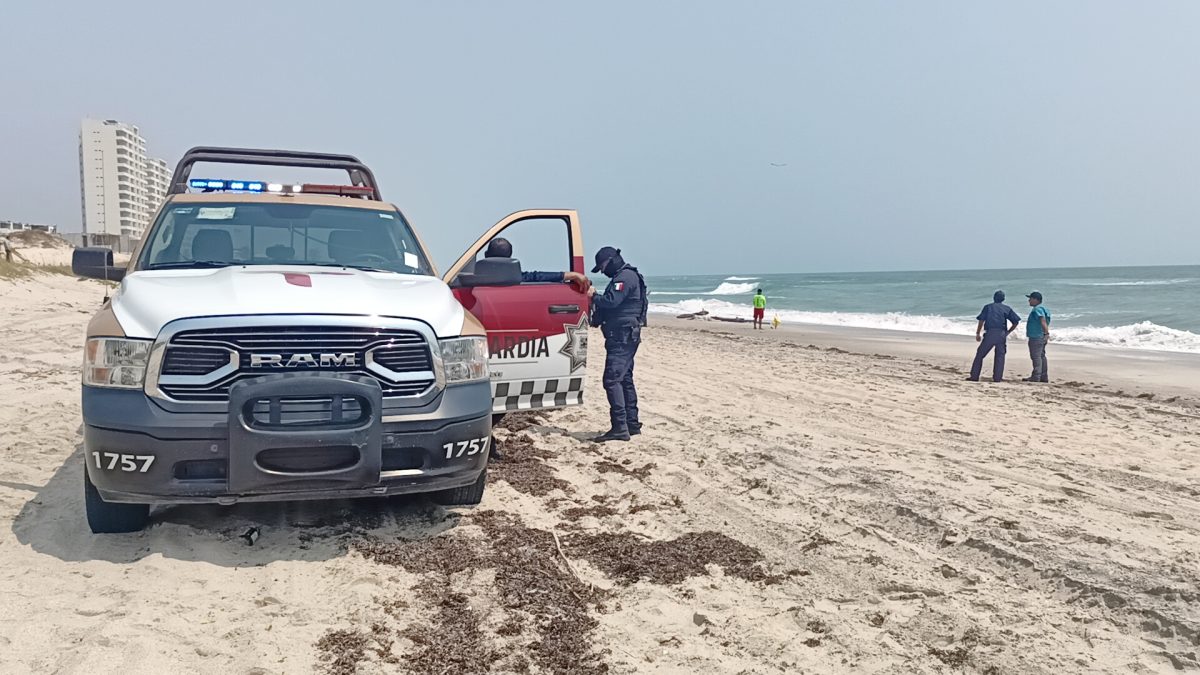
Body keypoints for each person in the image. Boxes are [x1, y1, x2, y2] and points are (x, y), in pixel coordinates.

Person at [588, 245, 647, 442]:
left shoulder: (625, 278)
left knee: (612, 380)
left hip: (622, 337)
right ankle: (631, 424)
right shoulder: (624, 276)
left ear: (611, 261)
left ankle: (620, 427)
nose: (603, 272)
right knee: (624, 379)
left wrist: (593, 296)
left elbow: (611, 301)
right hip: (623, 335)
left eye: (603, 267)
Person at [484, 237, 588, 286]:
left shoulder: (475, 279)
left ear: (486, 255)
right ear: (510, 259)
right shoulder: (515, 279)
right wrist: (573, 275)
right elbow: (537, 276)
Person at [968, 290, 1021, 382]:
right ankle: (997, 378)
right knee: (1000, 356)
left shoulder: (988, 307)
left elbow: (981, 320)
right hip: (1001, 333)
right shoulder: (1007, 308)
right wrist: (1008, 332)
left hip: (990, 333)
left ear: (994, 298)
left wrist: (978, 333)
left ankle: (974, 376)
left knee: (980, 354)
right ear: (1003, 299)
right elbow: (1016, 322)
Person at [1023, 291, 1051, 383]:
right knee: (1041, 356)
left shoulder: (1037, 309)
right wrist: (1045, 334)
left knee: (1036, 356)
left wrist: (1046, 333)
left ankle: (1036, 376)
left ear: (1035, 300)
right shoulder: (1045, 309)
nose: (1029, 300)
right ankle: (1043, 376)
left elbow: (1042, 320)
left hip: (1036, 336)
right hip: (1041, 335)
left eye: (1030, 298)